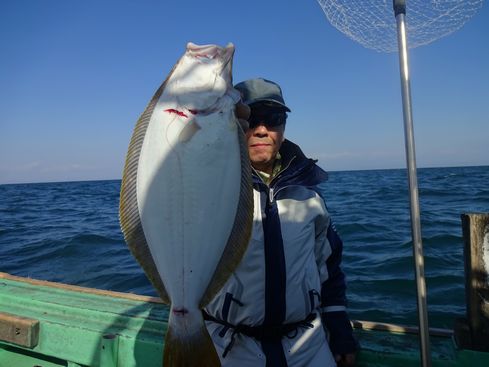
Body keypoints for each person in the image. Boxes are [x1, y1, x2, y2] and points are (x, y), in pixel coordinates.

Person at [204, 78, 358, 367]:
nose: (262, 129)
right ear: (233, 124)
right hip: (231, 346)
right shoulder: (208, 188)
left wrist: (338, 328)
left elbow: (328, 266)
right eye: (252, 118)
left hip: (308, 344)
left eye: (273, 119)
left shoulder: (310, 193)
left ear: (283, 128)